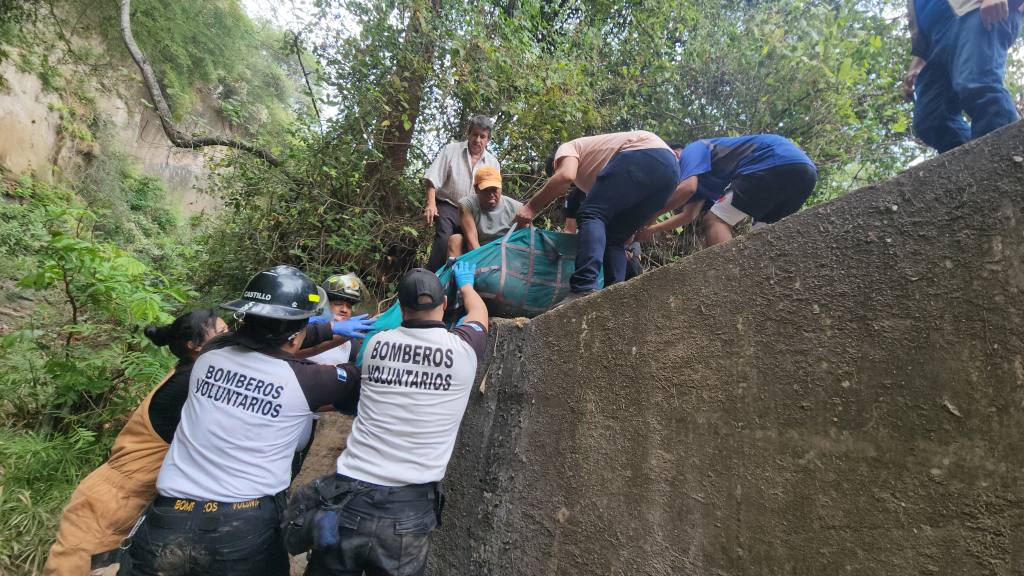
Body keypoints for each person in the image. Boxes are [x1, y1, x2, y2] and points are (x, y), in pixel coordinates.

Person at [120, 265, 375, 576]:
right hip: (245, 530)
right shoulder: (308, 380)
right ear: (296, 336)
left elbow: (250, 338)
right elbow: (362, 386)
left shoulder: (209, 356)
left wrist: (323, 328)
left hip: (167, 520)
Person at [297, 262, 488, 576]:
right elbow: (479, 317)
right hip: (408, 507)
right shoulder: (463, 351)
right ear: (443, 305)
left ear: (400, 307)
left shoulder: (375, 346)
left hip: (349, 496)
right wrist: (466, 285)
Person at [43, 310, 228, 576]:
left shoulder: (190, 371)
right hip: (108, 502)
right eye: (221, 333)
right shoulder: (189, 382)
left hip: (126, 500)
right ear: (195, 346)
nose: (230, 337)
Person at [513, 131, 679, 304]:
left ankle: (583, 286)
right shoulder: (591, 180)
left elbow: (565, 176)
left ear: (556, 163)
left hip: (643, 153)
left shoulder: (568, 148)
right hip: (671, 172)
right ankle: (615, 297)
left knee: (590, 213)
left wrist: (530, 207)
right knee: (614, 238)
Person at [637, 134, 817, 246]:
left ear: (675, 154)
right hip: (805, 173)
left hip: (772, 161)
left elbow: (687, 188)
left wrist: (647, 218)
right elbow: (688, 215)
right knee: (760, 239)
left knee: (714, 221)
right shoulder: (703, 178)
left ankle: (726, 282)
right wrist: (652, 229)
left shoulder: (694, 149)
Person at [904, 0, 1023, 153]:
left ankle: (1009, 156)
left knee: (977, 84)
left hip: (976, 12)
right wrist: (918, 63)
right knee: (932, 117)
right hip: (936, 42)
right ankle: (974, 166)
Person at [423, 115, 500, 271]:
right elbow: (433, 178)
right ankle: (431, 279)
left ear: (487, 140)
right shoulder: (451, 150)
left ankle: (464, 283)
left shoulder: (493, 163)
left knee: (474, 244)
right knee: (444, 240)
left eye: (482, 137)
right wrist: (431, 204)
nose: (477, 140)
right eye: (475, 134)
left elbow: (495, 191)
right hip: (449, 205)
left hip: (475, 210)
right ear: (469, 133)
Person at [447, 166, 523, 257]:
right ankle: (454, 270)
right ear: (476, 189)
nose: (491, 195)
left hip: (506, 251)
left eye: (494, 189)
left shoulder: (516, 207)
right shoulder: (467, 204)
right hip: (479, 249)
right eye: (485, 190)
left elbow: (526, 239)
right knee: (455, 239)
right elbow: (472, 242)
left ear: (501, 187)